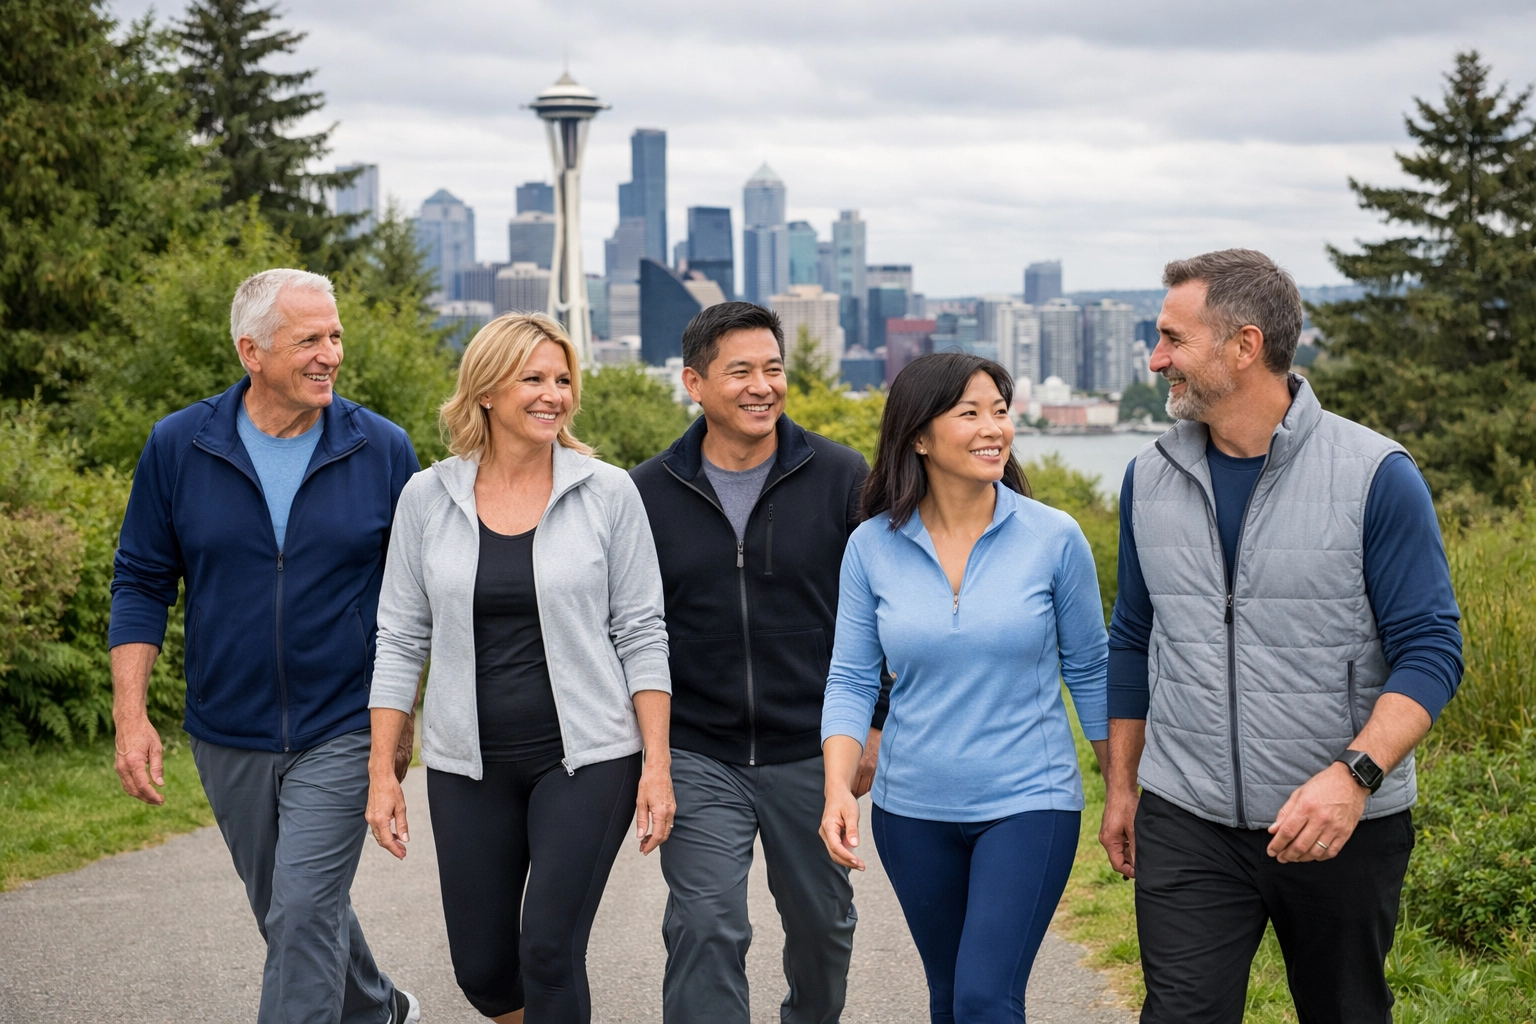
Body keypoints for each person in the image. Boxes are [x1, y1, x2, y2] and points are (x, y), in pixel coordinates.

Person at [1099, 249, 1465, 1024]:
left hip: (1338, 822)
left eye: (1173, 338)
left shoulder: (1375, 474)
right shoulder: (1149, 477)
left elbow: (1432, 649)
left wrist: (1353, 777)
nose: (1157, 358)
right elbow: (1133, 637)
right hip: (1186, 816)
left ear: (1244, 345)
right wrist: (1124, 788)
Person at [109, 268, 422, 1024]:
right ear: (252, 351)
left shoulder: (381, 449)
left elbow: (414, 602)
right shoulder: (181, 445)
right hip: (228, 725)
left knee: (306, 906)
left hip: (344, 718)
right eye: (309, 339)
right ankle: (376, 1009)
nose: (330, 354)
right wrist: (132, 716)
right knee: (288, 911)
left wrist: (398, 723)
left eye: (336, 336)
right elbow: (142, 581)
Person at [366, 313, 674, 1024]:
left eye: (563, 380)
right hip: (466, 764)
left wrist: (655, 763)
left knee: (548, 953)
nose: (552, 394)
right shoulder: (427, 497)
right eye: (532, 378)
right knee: (483, 971)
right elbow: (400, 637)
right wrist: (385, 771)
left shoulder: (607, 493)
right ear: (485, 391)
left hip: (587, 758)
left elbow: (642, 631)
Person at [818, 352, 1109, 1024]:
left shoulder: (1054, 539)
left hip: (1029, 801)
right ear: (918, 435)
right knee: (949, 998)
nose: (994, 429)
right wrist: (838, 787)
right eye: (970, 413)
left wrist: (1122, 791)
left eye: (1001, 412)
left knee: (985, 997)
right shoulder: (871, 546)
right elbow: (851, 677)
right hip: (911, 810)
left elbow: (1091, 671)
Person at [629, 302, 887, 1024]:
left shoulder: (840, 475)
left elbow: (881, 614)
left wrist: (871, 727)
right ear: (694, 382)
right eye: (739, 370)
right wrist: (651, 756)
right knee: (705, 926)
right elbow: (628, 626)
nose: (761, 386)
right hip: (699, 750)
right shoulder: (645, 492)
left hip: (813, 746)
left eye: (773, 369)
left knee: (822, 928)